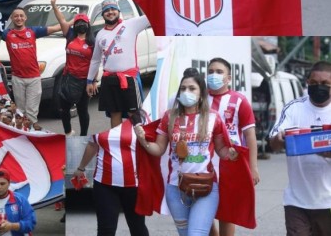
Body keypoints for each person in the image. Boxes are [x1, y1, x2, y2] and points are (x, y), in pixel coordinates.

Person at [134, 68, 238, 236]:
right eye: (183, 88)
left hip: (206, 187)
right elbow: (159, 149)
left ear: (201, 93)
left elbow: (222, 150)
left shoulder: (213, 118)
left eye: (191, 88)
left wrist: (231, 153)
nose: (186, 92)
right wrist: (143, 140)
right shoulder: (169, 117)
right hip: (176, 189)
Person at [269, 61, 331, 236]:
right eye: (314, 83)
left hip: (329, 204)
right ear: (307, 82)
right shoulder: (294, 108)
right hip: (297, 203)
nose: (319, 87)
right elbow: (273, 143)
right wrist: (279, 139)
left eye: (325, 84)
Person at [72, 113, 149, 236]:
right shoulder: (100, 124)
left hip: (133, 185)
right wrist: (81, 168)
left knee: (137, 227)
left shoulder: (139, 120)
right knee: (106, 229)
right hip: (104, 184)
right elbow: (92, 145)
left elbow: (150, 146)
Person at [207, 58, 259, 236]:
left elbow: (250, 136)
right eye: (211, 71)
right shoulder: (199, 99)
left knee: (227, 213)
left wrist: (253, 168)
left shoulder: (239, 101)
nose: (214, 75)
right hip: (202, 162)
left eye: (219, 72)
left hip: (231, 163)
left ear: (228, 78)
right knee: (203, 212)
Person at [86, 0, 150, 128]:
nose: (110, 12)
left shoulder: (132, 24)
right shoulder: (100, 34)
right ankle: (116, 140)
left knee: (134, 112)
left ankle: (139, 139)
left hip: (129, 78)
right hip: (109, 79)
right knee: (115, 113)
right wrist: (89, 81)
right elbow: (95, 60)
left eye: (113, 9)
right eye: (106, 10)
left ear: (118, 11)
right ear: (102, 14)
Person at [1, 7, 61, 131]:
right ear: (12, 18)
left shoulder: (33, 31)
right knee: (21, 107)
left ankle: (33, 123)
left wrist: (73, 20)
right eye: (16, 16)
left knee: (32, 106)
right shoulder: (7, 34)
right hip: (17, 77)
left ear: (25, 18)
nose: (19, 18)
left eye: (21, 16)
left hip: (34, 77)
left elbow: (57, 27)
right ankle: (22, 128)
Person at [50, 0, 94, 136]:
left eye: (84, 22)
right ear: (74, 25)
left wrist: (93, 81)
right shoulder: (69, 35)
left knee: (82, 110)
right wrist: (54, 4)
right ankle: (68, 132)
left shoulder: (93, 42)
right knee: (64, 108)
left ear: (88, 25)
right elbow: (61, 19)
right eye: (78, 22)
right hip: (68, 78)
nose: (81, 24)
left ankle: (83, 135)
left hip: (83, 81)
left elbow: (96, 63)